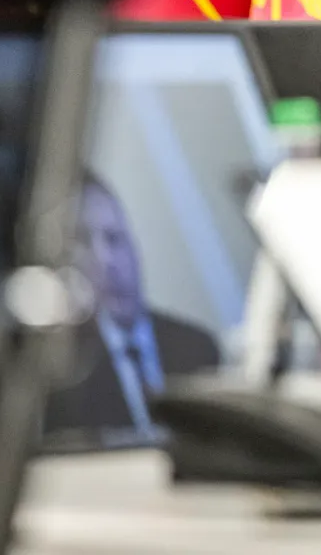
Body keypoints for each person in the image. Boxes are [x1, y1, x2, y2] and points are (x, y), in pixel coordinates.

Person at [43, 173, 219, 445]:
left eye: (114, 239)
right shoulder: (64, 375)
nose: (106, 261)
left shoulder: (198, 348)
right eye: (84, 242)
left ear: (134, 247)